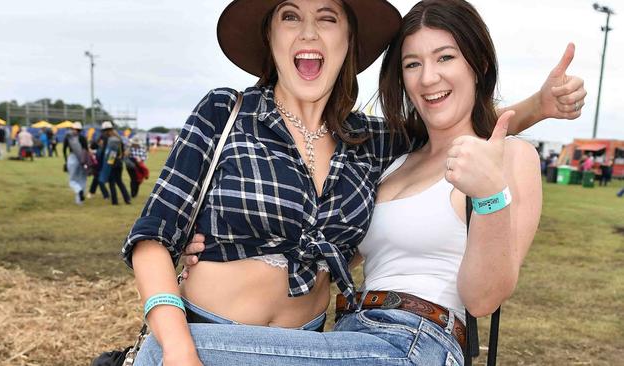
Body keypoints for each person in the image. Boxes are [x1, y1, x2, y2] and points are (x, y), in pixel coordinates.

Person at [126, 1, 586, 365]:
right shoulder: (228, 114)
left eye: (326, 18)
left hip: (342, 344)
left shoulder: (366, 142)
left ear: (348, 40)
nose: (308, 33)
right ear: (271, 36)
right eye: (291, 17)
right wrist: (178, 343)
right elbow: (152, 235)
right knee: (160, 352)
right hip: (241, 333)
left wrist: (537, 107)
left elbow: (454, 126)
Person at [100, 121, 131, 205]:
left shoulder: (112, 140)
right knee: (119, 182)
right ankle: (127, 199)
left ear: (107, 131)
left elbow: (112, 154)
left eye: (104, 131)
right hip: (119, 163)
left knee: (112, 183)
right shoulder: (118, 138)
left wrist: (109, 164)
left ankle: (115, 201)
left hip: (113, 164)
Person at [63, 122, 89, 204]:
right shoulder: (83, 138)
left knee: (72, 180)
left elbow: (64, 150)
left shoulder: (68, 138)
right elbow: (86, 150)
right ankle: (79, 201)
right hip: (83, 159)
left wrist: (66, 161)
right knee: (82, 179)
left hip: (72, 158)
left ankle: (79, 191)